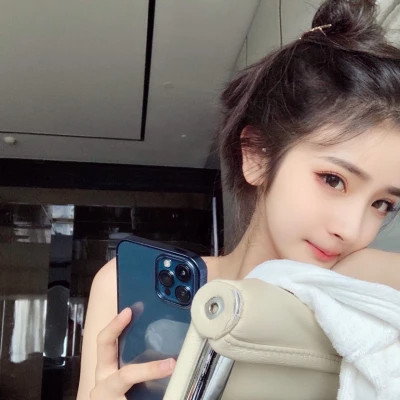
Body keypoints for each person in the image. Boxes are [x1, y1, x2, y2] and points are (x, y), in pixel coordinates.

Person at [77, 0, 400, 398]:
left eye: (382, 204)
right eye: (333, 180)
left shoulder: (355, 281)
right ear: (257, 156)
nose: (352, 230)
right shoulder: (117, 286)